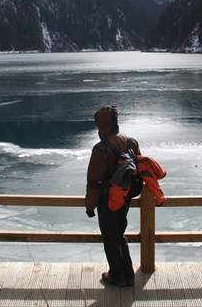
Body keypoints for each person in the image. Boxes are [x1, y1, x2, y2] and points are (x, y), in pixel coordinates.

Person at [85, 105, 141, 287]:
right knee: (119, 233)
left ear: (102, 124)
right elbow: (139, 168)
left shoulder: (101, 149)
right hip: (125, 196)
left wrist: (90, 206)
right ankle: (128, 275)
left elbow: (94, 182)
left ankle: (117, 276)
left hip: (107, 200)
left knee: (111, 238)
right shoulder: (131, 141)